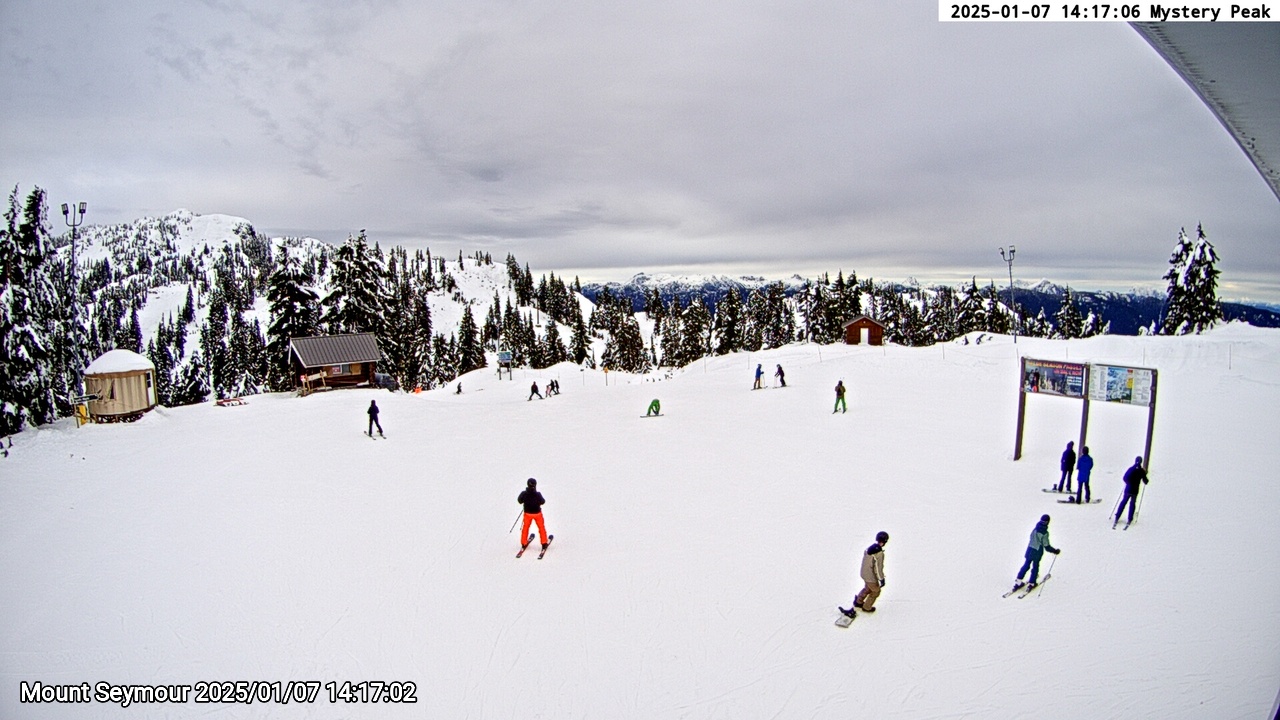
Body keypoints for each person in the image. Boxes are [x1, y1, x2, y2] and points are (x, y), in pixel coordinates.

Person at [841, 531, 889, 617]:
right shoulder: (879, 553)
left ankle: (858, 602)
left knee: (867, 588)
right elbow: (878, 568)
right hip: (870, 576)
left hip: (863, 573)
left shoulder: (869, 549)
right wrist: (881, 579)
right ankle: (867, 607)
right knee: (876, 591)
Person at [1013, 514, 1060, 591]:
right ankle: (1032, 583)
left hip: (1029, 549)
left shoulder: (1036, 528)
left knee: (1026, 564)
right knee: (1035, 566)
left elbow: (1031, 537)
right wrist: (1054, 551)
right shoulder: (1044, 533)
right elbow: (1046, 546)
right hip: (1037, 552)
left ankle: (1018, 581)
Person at [1114, 456, 1149, 527]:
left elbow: (1124, 478)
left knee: (1123, 502)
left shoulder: (1131, 468)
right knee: (1132, 504)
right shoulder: (1141, 471)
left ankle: (1117, 516)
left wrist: (1128, 483)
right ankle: (1130, 518)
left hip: (1128, 489)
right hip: (1135, 491)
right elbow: (1145, 481)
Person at [517, 478, 550, 550]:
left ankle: (523, 542)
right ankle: (544, 543)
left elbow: (519, 500)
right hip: (537, 514)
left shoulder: (524, 493)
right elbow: (543, 502)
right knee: (541, 528)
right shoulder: (538, 494)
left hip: (527, 514)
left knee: (525, 528)